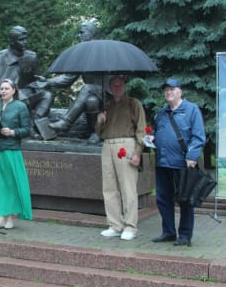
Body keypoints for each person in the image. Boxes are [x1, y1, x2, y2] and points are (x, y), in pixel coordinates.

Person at [150, 78, 205, 246]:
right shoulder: (161, 112)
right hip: (163, 162)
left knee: (185, 199)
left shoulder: (191, 110)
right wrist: (152, 137)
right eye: (166, 89)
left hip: (183, 164)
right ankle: (168, 232)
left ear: (180, 91)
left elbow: (198, 136)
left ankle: (185, 235)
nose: (169, 92)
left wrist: (192, 156)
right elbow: (157, 131)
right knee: (162, 199)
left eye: (172, 89)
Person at [33, 20, 107, 144]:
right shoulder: (83, 54)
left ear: (92, 33)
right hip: (95, 98)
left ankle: (66, 122)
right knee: (91, 101)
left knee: (87, 87)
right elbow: (67, 78)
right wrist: (47, 82)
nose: (79, 35)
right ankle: (96, 132)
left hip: (110, 93)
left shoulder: (105, 51)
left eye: (82, 32)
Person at [95, 76, 146, 240]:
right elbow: (99, 132)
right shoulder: (107, 106)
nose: (117, 88)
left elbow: (141, 129)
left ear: (125, 86)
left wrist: (138, 152)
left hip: (126, 143)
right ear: (110, 87)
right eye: (113, 85)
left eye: (120, 85)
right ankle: (115, 224)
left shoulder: (133, 103)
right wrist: (99, 122)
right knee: (109, 187)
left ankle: (130, 227)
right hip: (107, 145)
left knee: (128, 188)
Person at [0, 26, 53, 138]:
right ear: (12, 41)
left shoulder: (31, 56)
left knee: (47, 95)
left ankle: (33, 124)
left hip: (25, 96)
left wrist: (43, 82)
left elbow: (35, 82)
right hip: (5, 98)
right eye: (21, 40)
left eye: (25, 39)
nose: (25, 42)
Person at [0, 78, 32, 229]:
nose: (3, 91)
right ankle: (0, 218)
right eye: (2, 89)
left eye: (6, 88)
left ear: (13, 90)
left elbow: (27, 130)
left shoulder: (20, 107)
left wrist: (12, 132)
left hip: (11, 149)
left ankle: (11, 218)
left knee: (11, 184)